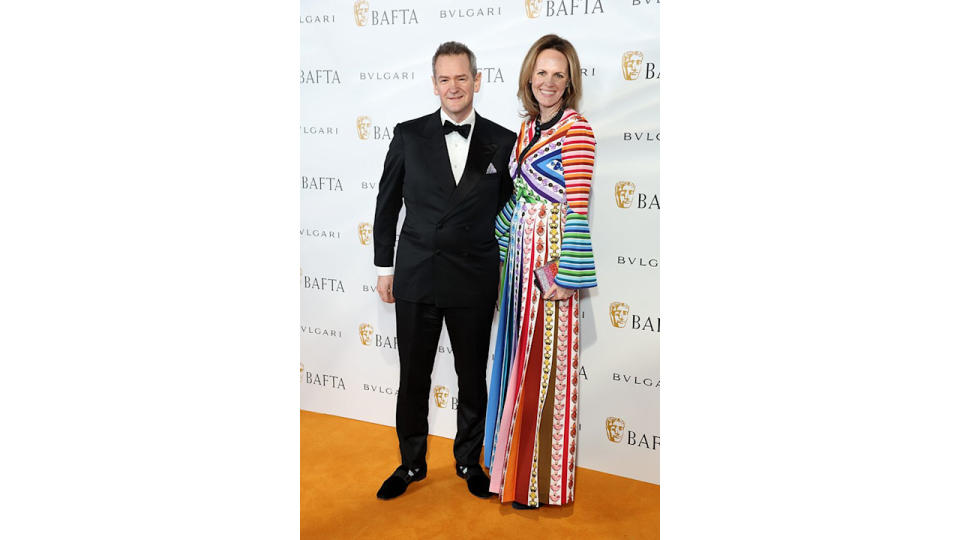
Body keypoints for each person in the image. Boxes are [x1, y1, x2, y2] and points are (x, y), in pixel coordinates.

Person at [372, 41, 516, 500]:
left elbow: (513, 211)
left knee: (472, 377)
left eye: (461, 77)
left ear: (477, 80)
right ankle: (410, 464)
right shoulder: (409, 135)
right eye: (444, 78)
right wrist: (383, 267)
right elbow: (386, 204)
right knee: (412, 378)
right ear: (434, 84)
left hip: (473, 277)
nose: (453, 87)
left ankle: (468, 461)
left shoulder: (504, 140)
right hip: (416, 274)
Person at [483, 34, 598, 509]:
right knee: (516, 360)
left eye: (559, 74)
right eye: (542, 72)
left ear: (569, 82)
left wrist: (566, 277)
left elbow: (576, 206)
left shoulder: (577, 130)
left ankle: (538, 485)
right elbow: (517, 199)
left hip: (550, 267)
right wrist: (498, 246)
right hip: (518, 265)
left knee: (545, 367)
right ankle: (511, 472)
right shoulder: (526, 129)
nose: (549, 82)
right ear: (530, 76)